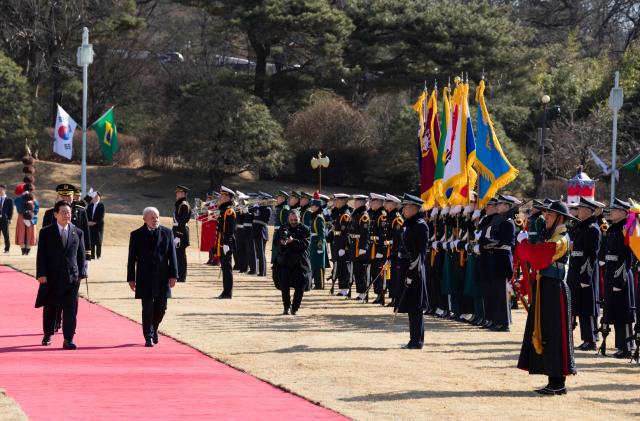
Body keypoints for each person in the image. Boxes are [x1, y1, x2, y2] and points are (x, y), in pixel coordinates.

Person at [516, 200, 577, 395]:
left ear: (560, 218)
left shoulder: (561, 238)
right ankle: (554, 380)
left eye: (549, 215)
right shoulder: (552, 235)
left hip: (555, 290)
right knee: (547, 333)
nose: (545, 218)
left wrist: (523, 244)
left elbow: (540, 256)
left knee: (555, 334)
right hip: (546, 288)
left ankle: (558, 382)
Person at [35, 200, 87, 349]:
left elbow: (81, 256)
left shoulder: (78, 232)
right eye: (63, 212)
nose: (67, 215)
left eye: (69, 212)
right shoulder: (46, 232)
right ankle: (48, 334)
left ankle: (68, 339)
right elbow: (41, 255)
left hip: (71, 279)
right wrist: (41, 274)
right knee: (50, 307)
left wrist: (81, 274)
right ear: (56, 214)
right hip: (51, 277)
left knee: (70, 309)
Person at [127, 207, 178, 347]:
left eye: (157, 217)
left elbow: (172, 256)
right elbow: (131, 259)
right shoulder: (136, 235)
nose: (155, 220)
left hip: (162, 277)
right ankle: (148, 336)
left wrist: (174, 275)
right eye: (152, 217)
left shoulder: (167, 233)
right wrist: (131, 278)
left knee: (161, 308)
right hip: (144, 277)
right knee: (147, 308)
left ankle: (154, 328)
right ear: (144, 219)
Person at [601, 198, 636, 358]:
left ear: (623, 213)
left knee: (624, 313)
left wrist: (619, 279)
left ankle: (628, 347)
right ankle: (621, 346)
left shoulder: (626, 228)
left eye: (614, 210)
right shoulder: (613, 228)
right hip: (611, 272)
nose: (611, 212)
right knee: (614, 311)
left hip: (621, 274)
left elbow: (626, 257)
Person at [567, 197, 602, 351]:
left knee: (588, 307)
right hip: (575, 270)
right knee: (578, 306)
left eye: (581, 208)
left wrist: (585, 275)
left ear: (589, 211)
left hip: (585, 272)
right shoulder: (580, 227)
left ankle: (591, 339)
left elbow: (591, 255)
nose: (578, 210)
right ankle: (585, 338)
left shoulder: (593, 228)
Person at [395, 194, 429, 349]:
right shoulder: (410, 224)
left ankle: (417, 341)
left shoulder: (420, 225)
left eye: (406, 207)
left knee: (415, 308)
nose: (403, 210)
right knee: (410, 307)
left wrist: (411, 274)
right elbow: (404, 245)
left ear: (413, 208)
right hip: (406, 267)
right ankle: (413, 339)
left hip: (414, 270)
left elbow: (419, 254)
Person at [481, 194, 518, 332]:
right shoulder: (498, 221)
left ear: (507, 206)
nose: (497, 206)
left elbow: (503, 241)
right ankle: (494, 320)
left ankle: (503, 323)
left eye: (500, 204)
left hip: (502, 259)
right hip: (495, 259)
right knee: (494, 292)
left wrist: (489, 243)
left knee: (501, 293)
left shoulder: (508, 222)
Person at [274, 209, 311, 315]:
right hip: (286, 262)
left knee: (300, 288)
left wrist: (292, 241)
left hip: (300, 263)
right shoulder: (283, 227)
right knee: (284, 286)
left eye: (295, 219)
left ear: (299, 218)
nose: (293, 221)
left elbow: (305, 244)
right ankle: (286, 307)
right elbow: (276, 242)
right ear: (288, 219)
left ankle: (294, 308)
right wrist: (281, 241)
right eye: (291, 219)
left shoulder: (305, 229)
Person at [349, 194, 371, 301]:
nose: (354, 202)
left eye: (357, 201)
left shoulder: (364, 216)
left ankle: (364, 293)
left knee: (361, 271)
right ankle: (360, 293)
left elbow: (365, 233)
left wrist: (363, 247)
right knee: (357, 271)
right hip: (354, 245)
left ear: (362, 202)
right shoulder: (356, 213)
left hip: (360, 247)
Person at [216, 186, 237, 299]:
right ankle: (225, 291)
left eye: (224, 196)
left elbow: (230, 229)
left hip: (226, 242)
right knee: (224, 267)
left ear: (229, 197)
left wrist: (227, 244)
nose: (221, 197)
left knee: (227, 267)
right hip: (222, 241)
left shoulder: (229, 211)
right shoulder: (224, 210)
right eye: (221, 195)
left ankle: (228, 292)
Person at [330, 193, 352, 296]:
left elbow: (345, 233)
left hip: (342, 244)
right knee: (339, 266)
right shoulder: (339, 212)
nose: (334, 202)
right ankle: (342, 288)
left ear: (342, 201)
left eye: (336, 200)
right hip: (337, 242)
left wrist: (343, 247)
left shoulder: (345, 214)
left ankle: (345, 288)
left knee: (343, 266)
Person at [369, 193, 388, 305]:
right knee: (374, 271)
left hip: (379, 248)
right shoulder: (374, 214)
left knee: (379, 272)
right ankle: (377, 294)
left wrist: (381, 251)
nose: (371, 203)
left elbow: (383, 234)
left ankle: (381, 295)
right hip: (373, 247)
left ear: (378, 202)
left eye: (373, 201)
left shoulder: (382, 216)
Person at [309, 198, 328, 290]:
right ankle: (316, 283)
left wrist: (320, 247)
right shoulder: (315, 217)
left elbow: (322, 234)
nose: (311, 207)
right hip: (313, 241)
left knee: (319, 264)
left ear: (317, 207)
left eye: (313, 205)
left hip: (318, 243)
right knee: (314, 263)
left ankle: (320, 284)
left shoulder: (319, 218)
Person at [251, 192, 272, 277]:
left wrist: (256, 209)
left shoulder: (267, 209)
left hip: (261, 232)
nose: (260, 201)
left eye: (261, 199)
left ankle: (262, 272)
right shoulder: (258, 208)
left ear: (265, 200)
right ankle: (260, 271)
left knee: (261, 253)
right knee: (258, 252)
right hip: (256, 231)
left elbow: (263, 219)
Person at [14, 184, 39, 255]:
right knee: (30, 234)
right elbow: (36, 209)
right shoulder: (34, 199)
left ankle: (23, 251)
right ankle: (27, 251)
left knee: (22, 233)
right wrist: (31, 212)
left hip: (22, 217)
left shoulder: (18, 199)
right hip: (31, 216)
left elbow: (17, 204)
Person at [173, 185, 191, 282]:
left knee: (181, 255)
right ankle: (179, 274)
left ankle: (181, 276)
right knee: (178, 254)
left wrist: (178, 236)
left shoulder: (183, 205)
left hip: (181, 231)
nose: (176, 194)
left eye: (178, 193)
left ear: (183, 194)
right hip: (177, 230)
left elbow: (182, 222)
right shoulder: (180, 204)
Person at [271, 191, 290, 266]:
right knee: (276, 252)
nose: (277, 199)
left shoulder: (285, 209)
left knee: (280, 253)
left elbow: (285, 224)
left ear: (283, 198)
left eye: (278, 198)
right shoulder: (280, 208)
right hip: (277, 232)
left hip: (280, 233)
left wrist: (283, 236)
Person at [86, 190, 105, 260]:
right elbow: (87, 214)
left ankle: (98, 255)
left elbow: (101, 216)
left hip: (98, 227)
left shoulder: (101, 205)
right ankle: (92, 256)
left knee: (98, 242)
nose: (96, 197)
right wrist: (88, 222)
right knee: (92, 242)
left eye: (97, 196)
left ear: (99, 197)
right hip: (90, 226)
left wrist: (94, 223)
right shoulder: (90, 205)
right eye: (94, 196)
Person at [0, 184, 14, 254]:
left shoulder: (9, 200)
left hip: (5, 220)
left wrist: (10, 218)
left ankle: (7, 249)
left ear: (5, 190)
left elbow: (11, 210)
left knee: (6, 235)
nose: (0, 191)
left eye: (1, 189)